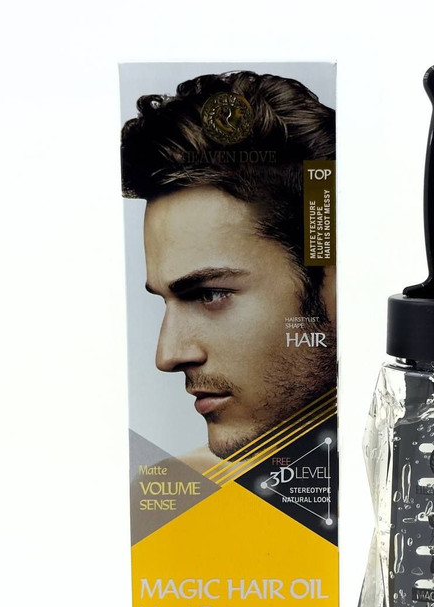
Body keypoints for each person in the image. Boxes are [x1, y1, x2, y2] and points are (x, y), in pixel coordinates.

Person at [121, 72, 336, 465]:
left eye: (210, 294)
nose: (167, 356)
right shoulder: (175, 490)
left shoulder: (411, 442)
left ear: (331, 281)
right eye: (165, 300)